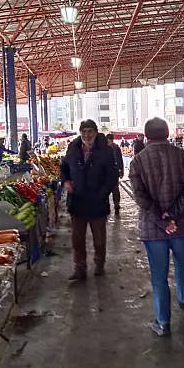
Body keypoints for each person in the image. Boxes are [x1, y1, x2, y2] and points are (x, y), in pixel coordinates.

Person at [129, 117, 184, 337]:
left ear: (146, 135)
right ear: (167, 133)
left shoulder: (137, 162)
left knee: (159, 277)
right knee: (182, 265)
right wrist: (173, 216)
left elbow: (140, 196)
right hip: (182, 225)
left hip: (153, 229)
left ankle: (162, 323)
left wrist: (161, 219)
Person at [60, 119, 118, 280]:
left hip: (97, 201)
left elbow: (112, 175)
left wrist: (103, 193)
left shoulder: (106, 150)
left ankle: (99, 264)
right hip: (77, 200)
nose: (87, 135)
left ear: (96, 132)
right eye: (84, 131)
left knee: (99, 238)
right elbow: (63, 167)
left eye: (90, 131)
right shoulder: (73, 148)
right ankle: (80, 268)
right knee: (77, 239)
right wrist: (65, 181)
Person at [105, 133, 124, 214]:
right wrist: (121, 170)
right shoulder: (116, 147)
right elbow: (120, 160)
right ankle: (116, 204)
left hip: (107, 172)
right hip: (114, 171)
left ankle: (108, 206)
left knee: (106, 189)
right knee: (115, 188)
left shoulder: (104, 148)